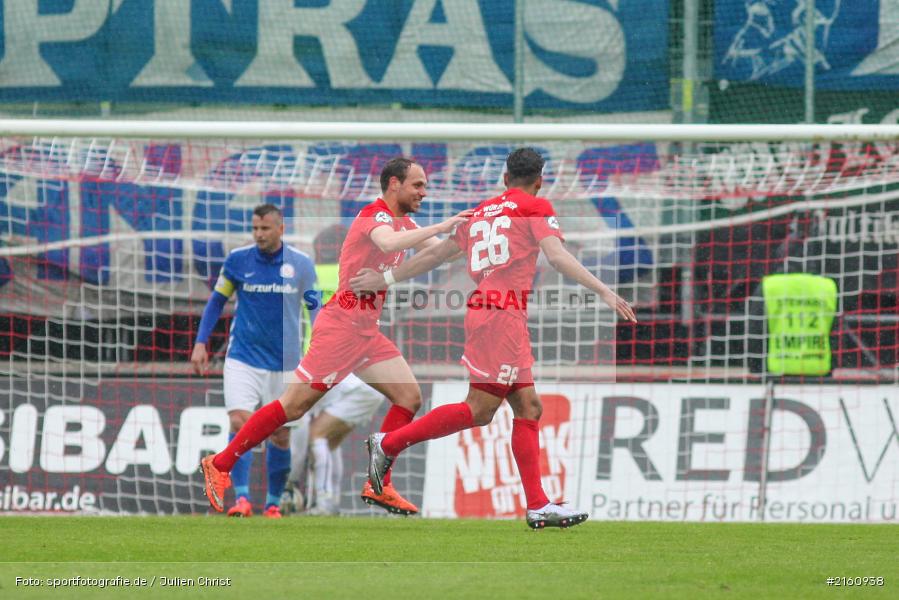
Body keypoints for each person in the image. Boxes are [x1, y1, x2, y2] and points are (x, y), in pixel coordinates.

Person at [353, 147, 637, 529]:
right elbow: (556, 256)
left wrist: (386, 278)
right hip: (500, 317)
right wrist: (603, 290)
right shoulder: (535, 206)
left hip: (497, 315)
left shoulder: (482, 210)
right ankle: (387, 444)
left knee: (529, 407)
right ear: (539, 181)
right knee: (479, 409)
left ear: (504, 178)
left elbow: (437, 257)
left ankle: (538, 505)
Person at [200, 157, 473, 515]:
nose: (424, 191)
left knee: (408, 397)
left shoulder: (403, 222)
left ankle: (379, 484)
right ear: (394, 184)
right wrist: (444, 223)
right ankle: (219, 464)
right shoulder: (373, 216)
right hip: (341, 328)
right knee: (292, 407)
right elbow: (389, 244)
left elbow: (441, 253)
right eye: (417, 185)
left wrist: (469, 231)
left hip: (365, 333)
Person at [191, 203, 319, 518]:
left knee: (281, 433)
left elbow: (314, 307)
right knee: (240, 421)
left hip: (286, 362)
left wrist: (321, 344)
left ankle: (273, 503)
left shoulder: (301, 265)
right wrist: (200, 342)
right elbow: (216, 302)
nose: (259, 234)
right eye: (255, 228)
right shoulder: (237, 260)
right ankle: (243, 499)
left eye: (265, 228)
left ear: (281, 229)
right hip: (243, 357)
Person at [283, 225, 390, 516]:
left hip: (327, 366)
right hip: (366, 371)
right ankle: (325, 500)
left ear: (318, 250)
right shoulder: (361, 277)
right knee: (327, 439)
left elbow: (299, 317)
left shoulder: (313, 277)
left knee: (312, 436)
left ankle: (315, 498)